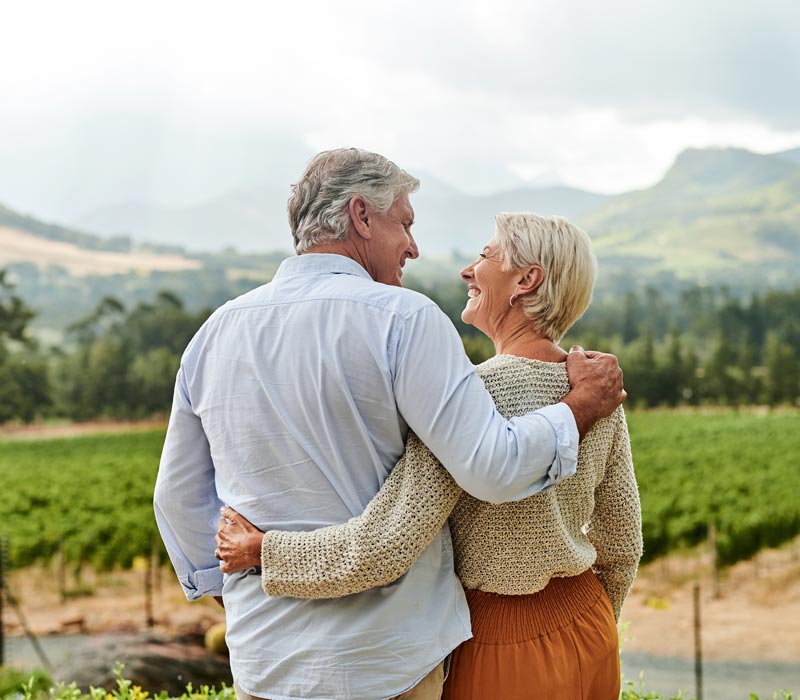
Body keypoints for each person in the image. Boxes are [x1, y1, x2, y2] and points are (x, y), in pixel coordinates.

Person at [154, 149, 626, 700]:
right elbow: (496, 470)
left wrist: (240, 589)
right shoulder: (406, 320)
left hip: (267, 657)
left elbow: (177, 497)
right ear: (361, 215)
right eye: (404, 223)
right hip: (393, 660)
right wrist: (580, 407)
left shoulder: (213, 333)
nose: (415, 247)